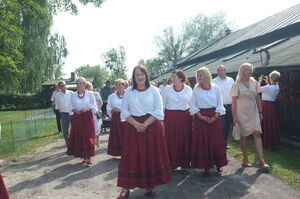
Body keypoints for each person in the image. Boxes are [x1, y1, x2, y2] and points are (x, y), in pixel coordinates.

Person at [116, 66, 172, 199]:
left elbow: (159, 110)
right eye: (136, 75)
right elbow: (124, 111)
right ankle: (125, 189)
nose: (139, 77)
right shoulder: (129, 91)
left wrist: (145, 124)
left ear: (146, 75)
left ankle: (149, 184)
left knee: (149, 156)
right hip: (133, 127)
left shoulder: (154, 90)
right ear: (133, 78)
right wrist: (136, 124)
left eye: (142, 74)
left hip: (151, 127)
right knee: (130, 157)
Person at [230, 63, 270, 168]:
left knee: (257, 134)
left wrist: (260, 112)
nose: (250, 72)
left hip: (253, 112)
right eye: (248, 70)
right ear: (242, 71)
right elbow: (233, 102)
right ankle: (245, 159)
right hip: (241, 113)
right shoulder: (236, 84)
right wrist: (234, 117)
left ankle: (261, 160)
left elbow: (257, 98)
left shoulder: (255, 82)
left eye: (251, 70)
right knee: (244, 136)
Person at [190, 67, 227, 176]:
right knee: (203, 141)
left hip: (214, 116)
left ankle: (218, 164)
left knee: (215, 141)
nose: (199, 77)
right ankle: (206, 166)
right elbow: (193, 104)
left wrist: (215, 117)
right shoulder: (196, 89)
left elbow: (220, 104)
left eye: (201, 75)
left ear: (206, 75)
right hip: (200, 117)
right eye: (198, 75)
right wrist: (201, 117)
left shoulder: (216, 88)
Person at [162, 69, 192, 174]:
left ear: (180, 78)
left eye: (174, 77)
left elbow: (191, 104)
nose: (172, 79)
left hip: (184, 118)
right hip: (170, 117)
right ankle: (171, 164)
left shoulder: (188, 89)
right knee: (171, 140)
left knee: (184, 140)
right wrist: (162, 120)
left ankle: (184, 165)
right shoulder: (167, 89)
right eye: (172, 77)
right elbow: (163, 105)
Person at [67, 77, 98, 165]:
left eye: (81, 84)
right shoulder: (73, 95)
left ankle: (89, 156)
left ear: (84, 84)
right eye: (77, 84)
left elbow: (94, 106)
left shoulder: (89, 94)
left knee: (87, 136)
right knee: (80, 136)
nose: (79, 85)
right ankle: (84, 156)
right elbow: (70, 107)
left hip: (87, 117)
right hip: (78, 118)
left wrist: (88, 108)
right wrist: (74, 110)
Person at [213, 65, 234, 149]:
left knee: (228, 126)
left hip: (229, 106)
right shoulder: (213, 81)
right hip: (219, 107)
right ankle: (219, 143)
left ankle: (224, 143)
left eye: (222, 70)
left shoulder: (231, 80)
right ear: (217, 72)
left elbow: (234, 93)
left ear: (225, 71)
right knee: (221, 126)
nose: (221, 72)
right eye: (219, 70)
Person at [259, 70, 281, 148]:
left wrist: (260, 81)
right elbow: (271, 87)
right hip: (272, 106)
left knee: (265, 122)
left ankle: (266, 142)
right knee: (271, 123)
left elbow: (257, 89)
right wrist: (267, 82)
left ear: (271, 78)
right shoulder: (277, 87)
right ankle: (272, 142)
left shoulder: (268, 88)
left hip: (266, 106)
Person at [107, 79, 126, 156]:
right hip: (116, 117)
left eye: (120, 85)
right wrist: (112, 109)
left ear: (124, 86)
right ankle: (118, 152)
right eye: (117, 85)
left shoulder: (128, 95)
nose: (118, 87)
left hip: (126, 118)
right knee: (117, 134)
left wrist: (122, 110)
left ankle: (127, 152)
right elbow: (108, 107)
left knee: (125, 134)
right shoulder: (112, 96)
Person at [85, 82, 103, 148]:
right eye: (86, 86)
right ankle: (92, 142)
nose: (88, 88)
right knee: (90, 129)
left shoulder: (96, 93)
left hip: (97, 113)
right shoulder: (85, 95)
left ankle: (97, 140)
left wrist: (97, 109)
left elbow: (101, 102)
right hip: (89, 114)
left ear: (92, 87)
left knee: (97, 128)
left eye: (89, 86)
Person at [56, 81, 73, 146]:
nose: (63, 87)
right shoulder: (57, 95)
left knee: (74, 129)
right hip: (64, 114)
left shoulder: (71, 93)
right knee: (65, 131)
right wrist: (61, 113)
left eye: (64, 85)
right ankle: (68, 145)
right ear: (59, 87)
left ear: (66, 85)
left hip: (72, 113)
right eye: (61, 86)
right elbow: (57, 106)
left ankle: (74, 143)